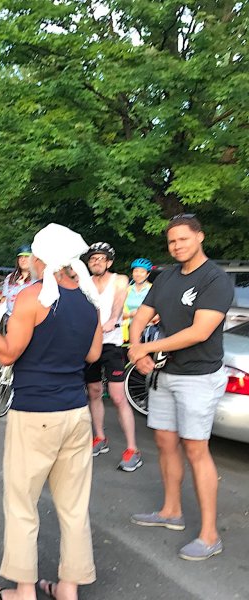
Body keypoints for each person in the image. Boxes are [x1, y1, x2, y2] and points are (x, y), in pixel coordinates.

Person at [0, 223, 102, 600]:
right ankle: (68, 588)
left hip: (35, 411)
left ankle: (24, 591)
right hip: (76, 413)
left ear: (42, 259)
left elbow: (6, 353)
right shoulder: (89, 300)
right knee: (73, 506)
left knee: (23, 504)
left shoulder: (32, 298)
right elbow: (93, 355)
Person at [128, 214, 232, 562]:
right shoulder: (167, 276)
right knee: (164, 441)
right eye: (172, 241)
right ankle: (171, 511)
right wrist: (134, 345)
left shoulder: (215, 279)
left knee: (195, 449)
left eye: (183, 239)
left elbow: (200, 332)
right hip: (164, 375)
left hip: (199, 377)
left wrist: (149, 348)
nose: (177, 246)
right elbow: (142, 314)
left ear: (200, 237)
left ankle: (209, 535)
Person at [83, 242, 141, 472]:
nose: (96, 261)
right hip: (90, 344)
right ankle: (99, 438)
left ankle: (133, 448)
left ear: (109, 262)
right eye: (93, 258)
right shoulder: (84, 283)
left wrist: (112, 320)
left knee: (117, 397)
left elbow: (118, 300)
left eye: (101, 258)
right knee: (94, 392)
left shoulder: (120, 279)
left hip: (112, 344)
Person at [122, 258, 153, 342]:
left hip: (146, 331)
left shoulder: (153, 289)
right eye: (136, 271)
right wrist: (130, 314)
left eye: (142, 271)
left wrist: (143, 316)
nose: (138, 274)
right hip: (126, 333)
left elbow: (159, 313)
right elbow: (117, 313)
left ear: (147, 274)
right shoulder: (126, 289)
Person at [0, 245, 34, 320]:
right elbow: (4, 298)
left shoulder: (38, 279)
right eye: (20, 257)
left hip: (30, 319)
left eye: (26, 257)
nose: (23, 260)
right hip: (10, 318)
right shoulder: (10, 278)